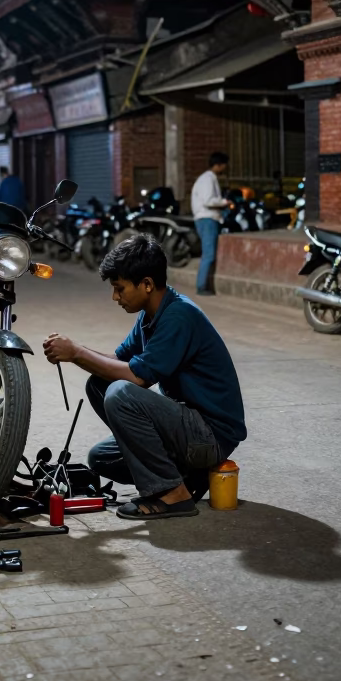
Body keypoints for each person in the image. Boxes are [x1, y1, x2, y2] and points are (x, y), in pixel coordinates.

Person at [42, 233, 245, 520]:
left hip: (211, 436)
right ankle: (189, 477)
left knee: (120, 393)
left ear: (146, 284)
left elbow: (138, 378)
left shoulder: (179, 316)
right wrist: (72, 349)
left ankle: (173, 494)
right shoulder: (151, 314)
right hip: (187, 426)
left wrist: (76, 353)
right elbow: (118, 361)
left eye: (119, 288)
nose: (115, 297)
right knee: (100, 443)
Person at [190, 151, 233, 296]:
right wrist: (224, 202)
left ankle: (204, 284)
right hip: (207, 218)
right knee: (208, 254)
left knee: (208, 253)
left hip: (205, 218)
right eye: (224, 165)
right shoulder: (208, 179)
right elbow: (208, 201)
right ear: (219, 165)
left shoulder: (206, 178)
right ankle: (201, 286)